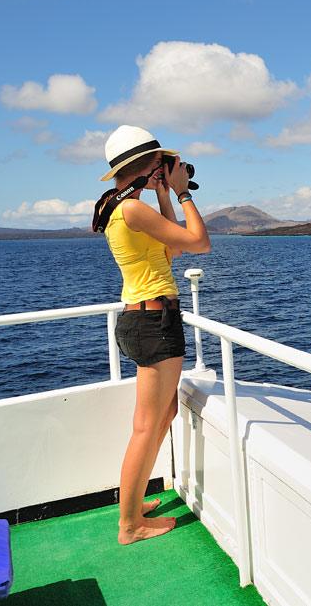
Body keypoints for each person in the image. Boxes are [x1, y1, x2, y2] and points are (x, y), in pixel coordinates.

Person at [98, 125, 210, 545]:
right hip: (153, 323)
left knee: (161, 418)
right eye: (162, 165)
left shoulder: (124, 207)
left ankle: (132, 506)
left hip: (145, 320)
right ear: (148, 165)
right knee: (148, 426)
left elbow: (173, 248)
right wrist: (183, 193)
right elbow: (199, 242)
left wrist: (163, 195)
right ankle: (129, 525)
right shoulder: (131, 210)